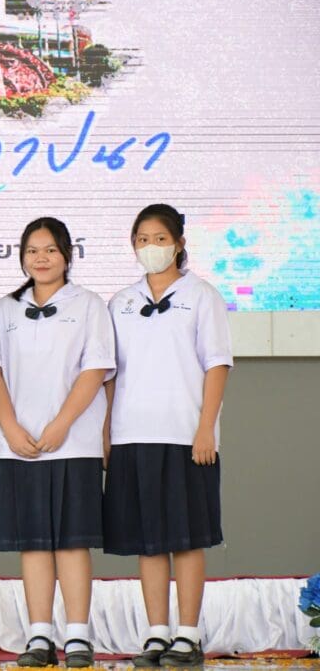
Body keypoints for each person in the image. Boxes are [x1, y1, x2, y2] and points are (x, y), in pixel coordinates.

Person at [0, 217, 115, 667]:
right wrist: (11, 429)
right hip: (18, 445)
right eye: (33, 250)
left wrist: (61, 424)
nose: (41, 258)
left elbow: (95, 369)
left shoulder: (90, 305)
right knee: (32, 542)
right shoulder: (4, 309)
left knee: (72, 542)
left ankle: (77, 636)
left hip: (73, 442)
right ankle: (39, 636)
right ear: (22, 257)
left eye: (51, 249)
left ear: (67, 255)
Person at [103, 204, 232, 667]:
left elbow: (217, 364)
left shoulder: (203, 296)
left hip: (184, 434)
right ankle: (157, 633)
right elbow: (110, 373)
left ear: (179, 243)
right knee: (148, 540)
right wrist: (107, 433)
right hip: (132, 433)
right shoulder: (120, 302)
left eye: (159, 239)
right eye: (142, 239)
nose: (150, 247)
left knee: (186, 536)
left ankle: (188, 636)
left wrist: (205, 428)